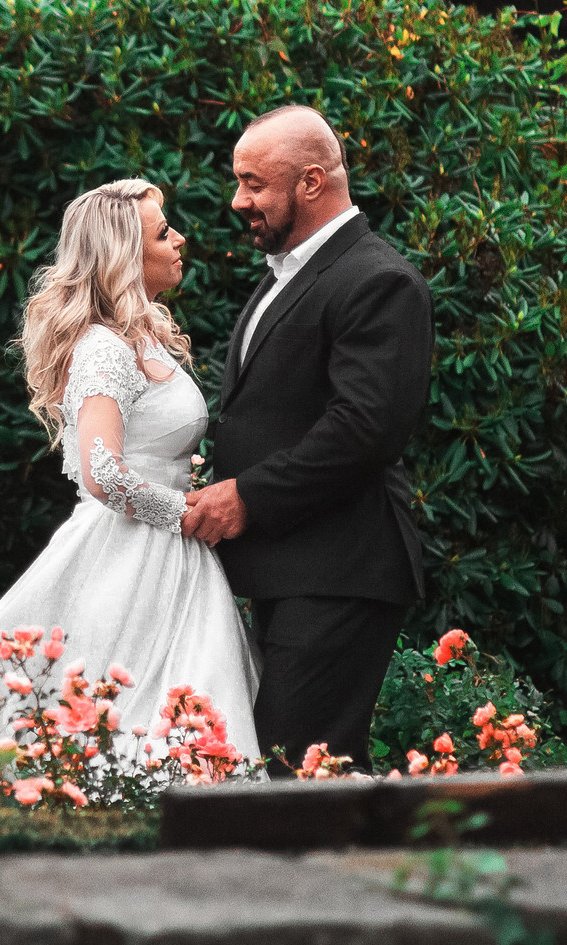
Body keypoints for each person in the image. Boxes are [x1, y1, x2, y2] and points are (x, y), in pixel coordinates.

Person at [0, 179, 260, 760]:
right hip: (130, 555)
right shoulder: (103, 348)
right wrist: (183, 511)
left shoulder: (145, 339)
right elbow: (101, 470)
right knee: (118, 714)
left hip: (172, 556)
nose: (180, 239)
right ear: (123, 256)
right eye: (163, 232)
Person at [182, 105, 431, 776]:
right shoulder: (284, 274)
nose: (239, 200)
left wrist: (249, 496)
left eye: (254, 182)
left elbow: (365, 429)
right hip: (290, 568)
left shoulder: (379, 280)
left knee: (294, 774)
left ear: (313, 181)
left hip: (340, 568)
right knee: (284, 774)